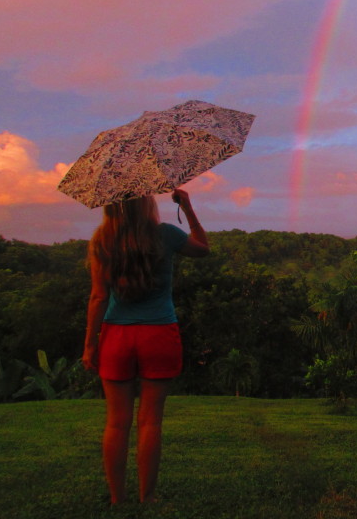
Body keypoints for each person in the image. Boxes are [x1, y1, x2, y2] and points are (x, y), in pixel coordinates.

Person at [82, 188, 209, 505]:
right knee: (150, 421)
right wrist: (188, 207)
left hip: (116, 336)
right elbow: (202, 248)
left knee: (116, 422)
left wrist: (89, 344)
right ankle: (148, 497)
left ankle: (117, 499)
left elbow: (98, 297)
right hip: (159, 333)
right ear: (146, 202)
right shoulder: (165, 235)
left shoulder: (103, 239)